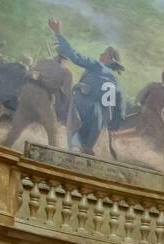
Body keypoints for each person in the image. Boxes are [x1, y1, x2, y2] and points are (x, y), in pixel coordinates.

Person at [47, 17, 124, 156]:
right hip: (99, 118)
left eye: (104, 53)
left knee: (74, 143)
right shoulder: (114, 80)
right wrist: (114, 124)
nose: (101, 54)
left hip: (83, 106)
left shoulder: (96, 66)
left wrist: (58, 34)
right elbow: (119, 107)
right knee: (86, 148)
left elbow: (75, 56)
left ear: (110, 59)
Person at [2, 53, 72, 150]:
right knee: (52, 130)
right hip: (41, 97)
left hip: (27, 92)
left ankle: (5, 146)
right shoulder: (66, 71)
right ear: (66, 59)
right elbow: (67, 93)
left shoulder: (43, 60)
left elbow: (31, 74)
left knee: (18, 126)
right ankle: (54, 153)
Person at [135, 71, 164, 164]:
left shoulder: (152, 85)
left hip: (144, 111)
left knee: (138, 131)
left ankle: (114, 136)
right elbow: (162, 108)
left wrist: (142, 106)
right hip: (154, 115)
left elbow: (141, 97)